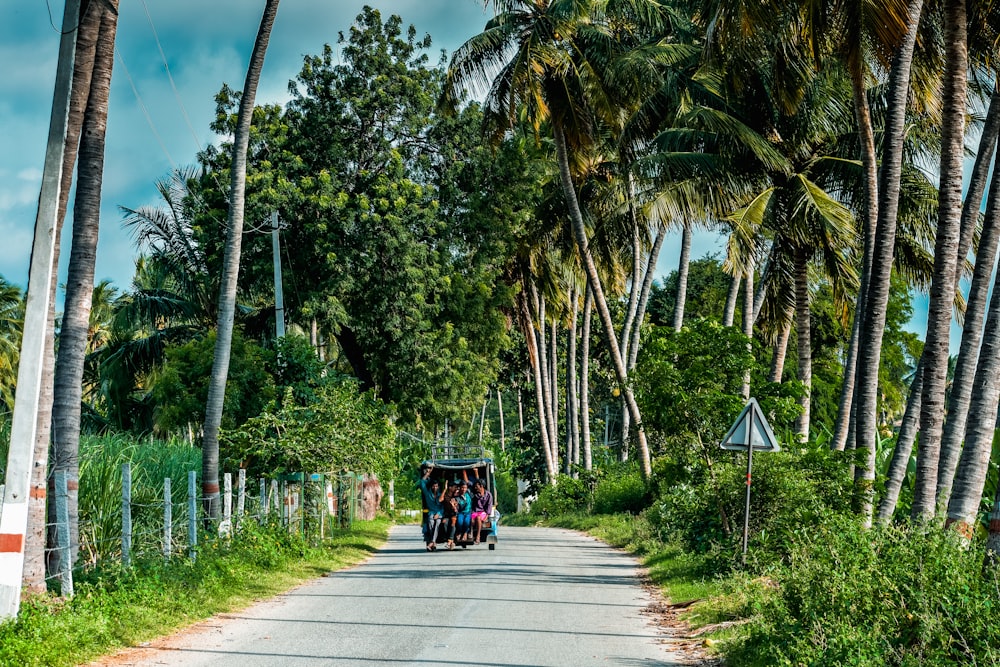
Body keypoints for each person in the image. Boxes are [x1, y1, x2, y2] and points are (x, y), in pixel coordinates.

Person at [418, 467, 443, 551]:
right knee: (430, 521)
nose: (435, 488)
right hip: (431, 513)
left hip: (439, 513)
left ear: (438, 487)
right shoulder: (428, 494)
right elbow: (422, 483)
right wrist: (428, 473)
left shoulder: (441, 495)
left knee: (438, 522)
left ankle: (432, 542)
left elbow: (443, 507)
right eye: (433, 486)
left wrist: (439, 513)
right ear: (431, 487)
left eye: (436, 486)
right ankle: (433, 542)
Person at [470, 480, 493, 545]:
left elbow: (489, 506)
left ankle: (478, 536)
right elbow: (472, 506)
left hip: (483, 513)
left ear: (481, 486)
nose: (475, 488)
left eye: (477, 486)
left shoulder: (488, 495)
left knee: (478, 518)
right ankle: (470, 534)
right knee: (471, 520)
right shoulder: (474, 495)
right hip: (475, 512)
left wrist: (487, 516)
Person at [440, 480, 460, 550]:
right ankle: (450, 540)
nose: (455, 489)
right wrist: (445, 489)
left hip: (454, 514)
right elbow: (440, 500)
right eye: (454, 487)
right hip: (446, 515)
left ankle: (449, 541)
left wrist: (453, 505)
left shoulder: (456, 496)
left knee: (453, 522)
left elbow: (456, 509)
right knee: (444, 523)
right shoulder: (446, 496)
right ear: (450, 488)